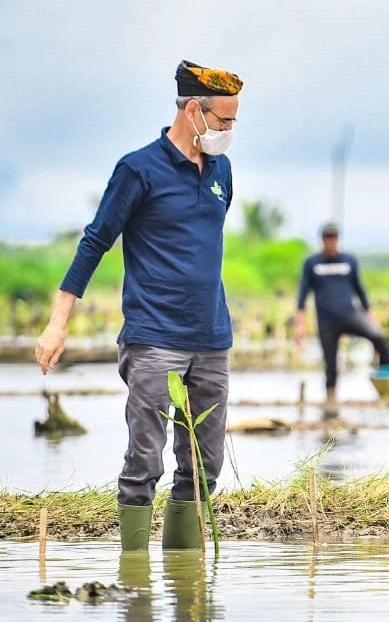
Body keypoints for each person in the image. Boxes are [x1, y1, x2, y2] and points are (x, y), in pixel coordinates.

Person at [33, 60, 243, 551]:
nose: (230, 131)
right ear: (194, 110)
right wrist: (57, 323)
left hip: (212, 338)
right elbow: (94, 243)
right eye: (224, 121)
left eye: (234, 122)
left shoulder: (221, 171)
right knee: (145, 461)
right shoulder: (138, 169)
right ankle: (135, 578)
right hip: (153, 339)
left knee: (204, 464)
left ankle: (184, 582)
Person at [295, 223, 389, 404]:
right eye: (327, 238)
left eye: (333, 238)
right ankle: (330, 400)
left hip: (350, 315)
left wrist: (370, 315)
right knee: (330, 364)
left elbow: (359, 289)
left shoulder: (349, 261)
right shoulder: (312, 263)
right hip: (326, 321)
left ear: (337, 239)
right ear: (323, 240)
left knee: (379, 338)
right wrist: (299, 324)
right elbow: (302, 295)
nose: (330, 242)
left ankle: (388, 383)